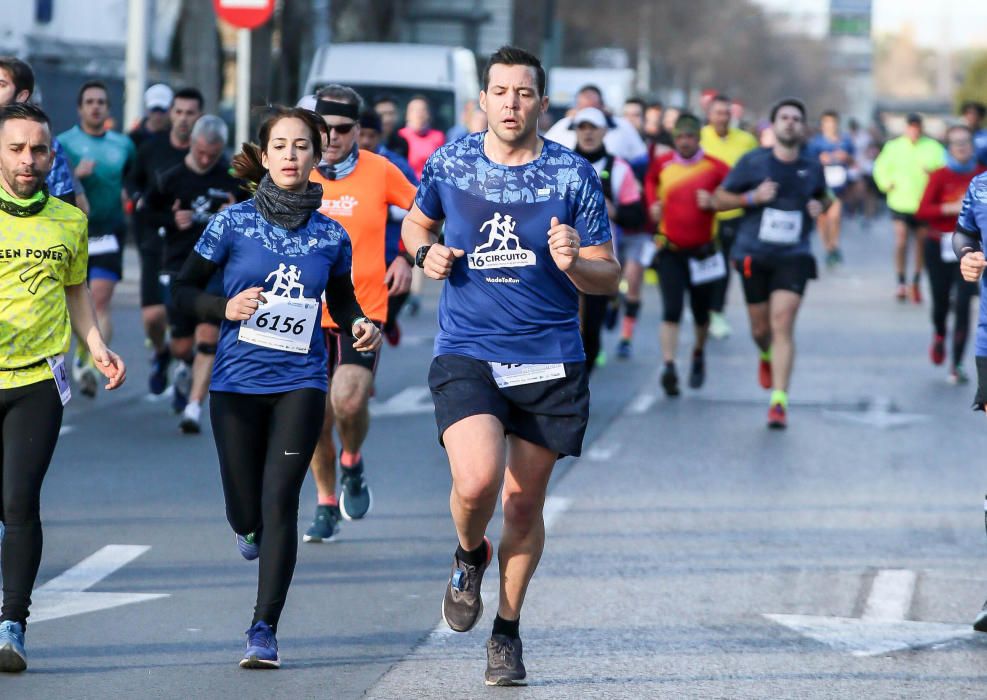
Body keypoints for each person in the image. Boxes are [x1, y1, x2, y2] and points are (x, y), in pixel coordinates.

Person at [402, 46, 619, 687]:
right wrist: (425, 255)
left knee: (523, 505)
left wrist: (575, 262)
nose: (511, 103)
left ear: (542, 104)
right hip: (468, 347)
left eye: (523, 93)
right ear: (484, 99)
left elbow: (610, 278)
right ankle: (470, 552)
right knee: (476, 483)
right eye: (500, 91)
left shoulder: (573, 176)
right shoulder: (452, 162)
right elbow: (415, 227)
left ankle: (506, 632)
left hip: (549, 359)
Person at [171, 106, 381, 668]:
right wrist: (223, 306)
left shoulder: (331, 235)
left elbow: (341, 301)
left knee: (280, 499)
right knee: (246, 510)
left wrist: (359, 321)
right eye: (280, 147)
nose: (291, 156)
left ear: (317, 156)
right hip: (237, 383)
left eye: (302, 147)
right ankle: (246, 527)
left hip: (300, 381)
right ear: (264, 158)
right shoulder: (232, 223)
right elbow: (183, 292)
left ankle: (264, 628)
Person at [0, 102, 126, 673]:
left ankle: (13, 626)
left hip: (37, 382)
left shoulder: (69, 220)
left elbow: (77, 290)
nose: (29, 161)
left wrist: (96, 347)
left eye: (39, 150)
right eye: (17, 149)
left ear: (53, 154)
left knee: (19, 502)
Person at [300, 85, 416, 543]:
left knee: (347, 401)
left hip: (362, 309)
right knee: (312, 417)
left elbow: (425, 212)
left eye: (344, 129)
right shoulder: (295, 169)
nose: (332, 138)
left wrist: (407, 255)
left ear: (359, 130)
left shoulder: (381, 171)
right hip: (303, 310)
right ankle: (326, 501)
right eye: (323, 129)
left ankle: (352, 458)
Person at [712, 98, 831, 429]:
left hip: (794, 255)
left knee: (783, 322)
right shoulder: (753, 163)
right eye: (784, 117)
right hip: (753, 253)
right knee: (761, 329)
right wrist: (751, 198)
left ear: (803, 127)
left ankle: (779, 401)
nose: (790, 122)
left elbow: (825, 196)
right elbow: (719, 200)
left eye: (796, 118)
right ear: (774, 125)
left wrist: (818, 207)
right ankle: (765, 354)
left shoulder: (812, 166)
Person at [145, 115, 241, 433]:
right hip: (178, 266)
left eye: (212, 155)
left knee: (208, 337)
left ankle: (194, 408)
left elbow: (256, 215)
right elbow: (145, 213)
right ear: (192, 144)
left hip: (216, 270)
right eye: (200, 152)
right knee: (183, 346)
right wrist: (171, 220)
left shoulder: (231, 179)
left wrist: (235, 214)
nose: (205, 159)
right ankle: (180, 364)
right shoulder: (170, 177)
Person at [58, 80, 136, 397]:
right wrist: (78, 174)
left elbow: (132, 176)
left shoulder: (122, 145)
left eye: (101, 102)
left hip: (109, 229)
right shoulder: (64, 142)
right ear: (80, 108)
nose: (95, 106)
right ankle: (82, 352)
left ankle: (87, 359)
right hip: (74, 232)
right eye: (89, 101)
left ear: (107, 108)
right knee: (74, 297)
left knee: (100, 297)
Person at [646, 113, 730, 395]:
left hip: (704, 253)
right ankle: (669, 365)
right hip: (670, 250)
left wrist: (716, 202)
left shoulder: (715, 167)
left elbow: (735, 196)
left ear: (698, 137)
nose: (684, 142)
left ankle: (697, 352)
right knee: (671, 309)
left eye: (690, 136)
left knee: (700, 313)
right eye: (680, 137)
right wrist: (653, 206)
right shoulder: (662, 164)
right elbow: (649, 184)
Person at [128, 87, 204, 400]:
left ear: (200, 116)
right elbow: (133, 185)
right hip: (154, 243)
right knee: (154, 317)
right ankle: (161, 353)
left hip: (192, 250)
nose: (184, 119)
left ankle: (186, 364)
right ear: (170, 113)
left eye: (191, 113)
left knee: (188, 320)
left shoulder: (206, 154)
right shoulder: (151, 149)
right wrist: (140, 202)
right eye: (179, 112)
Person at [570, 106, 645, 364]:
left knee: (591, 330)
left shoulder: (620, 168)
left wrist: (614, 211)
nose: (588, 133)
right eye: (582, 127)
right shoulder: (559, 165)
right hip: (561, 255)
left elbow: (637, 216)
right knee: (568, 329)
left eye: (593, 127)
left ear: (604, 131)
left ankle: (583, 379)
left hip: (598, 257)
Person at [914, 125, 985, 384]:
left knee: (965, 303)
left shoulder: (981, 176)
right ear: (949, 148)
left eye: (966, 142)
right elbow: (922, 211)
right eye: (956, 143)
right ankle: (940, 334)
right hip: (939, 245)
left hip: (969, 249)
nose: (962, 147)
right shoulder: (940, 176)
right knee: (941, 301)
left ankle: (956, 364)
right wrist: (949, 208)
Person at [356, 110, 419, 346]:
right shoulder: (337, 166)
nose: (365, 141)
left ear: (380, 136)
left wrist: (387, 207)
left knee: (374, 329)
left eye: (371, 135)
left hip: (389, 253)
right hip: (351, 261)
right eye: (361, 134)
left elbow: (420, 205)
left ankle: (388, 322)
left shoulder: (394, 164)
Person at [700, 93, 759, 340]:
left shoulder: (746, 141)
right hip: (702, 213)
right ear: (709, 114)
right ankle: (701, 308)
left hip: (734, 212)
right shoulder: (699, 138)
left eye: (726, 113)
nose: (722, 117)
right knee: (703, 265)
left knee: (723, 266)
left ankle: (717, 312)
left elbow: (757, 171)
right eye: (718, 112)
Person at [873, 113, 946, 303]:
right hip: (900, 201)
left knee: (921, 243)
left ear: (921, 128)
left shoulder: (933, 147)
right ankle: (900, 281)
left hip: (923, 204)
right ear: (906, 128)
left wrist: (932, 174)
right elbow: (880, 168)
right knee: (901, 240)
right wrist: (885, 183)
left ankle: (916, 280)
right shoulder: (893, 146)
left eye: (917, 127)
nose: (914, 131)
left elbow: (944, 171)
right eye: (911, 127)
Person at [0, 56, 76, 207]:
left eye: (1, 85)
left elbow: (65, 204)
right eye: (15, 149)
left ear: (22, 96)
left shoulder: (46, 143)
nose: (28, 158)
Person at [544, 84, 648, 166]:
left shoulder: (622, 126)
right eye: (583, 108)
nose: (588, 132)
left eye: (592, 108)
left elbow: (641, 159)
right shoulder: (562, 127)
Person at [807, 110, 854, 268]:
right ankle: (828, 248)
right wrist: (820, 160)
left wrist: (846, 158)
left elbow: (854, 161)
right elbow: (808, 163)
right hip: (821, 186)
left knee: (835, 217)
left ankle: (834, 245)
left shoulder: (845, 141)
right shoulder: (816, 143)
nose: (830, 126)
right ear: (822, 124)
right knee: (822, 219)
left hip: (838, 186)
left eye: (833, 123)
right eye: (827, 123)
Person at [398, 95, 445, 179]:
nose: (418, 114)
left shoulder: (438, 137)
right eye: (414, 110)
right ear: (407, 115)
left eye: (422, 110)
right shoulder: (401, 136)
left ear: (429, 114)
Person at [128, 83, 173, 151]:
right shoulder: (133, 138)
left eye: (162, 110)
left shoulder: (175, 138)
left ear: (170, 110)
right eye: (154, 109)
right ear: (147, 109)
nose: (158, 115)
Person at [372, 95, 409, 159]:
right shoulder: (365, 141)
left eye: (391, 114)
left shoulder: (402, 144)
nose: (387, 119)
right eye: (382, 114)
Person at [960, 101, 987, 166]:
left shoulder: (985, 136)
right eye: (968, 113)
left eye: (975, 114)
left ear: (981, 117)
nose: (971, 117)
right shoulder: (957, 135)